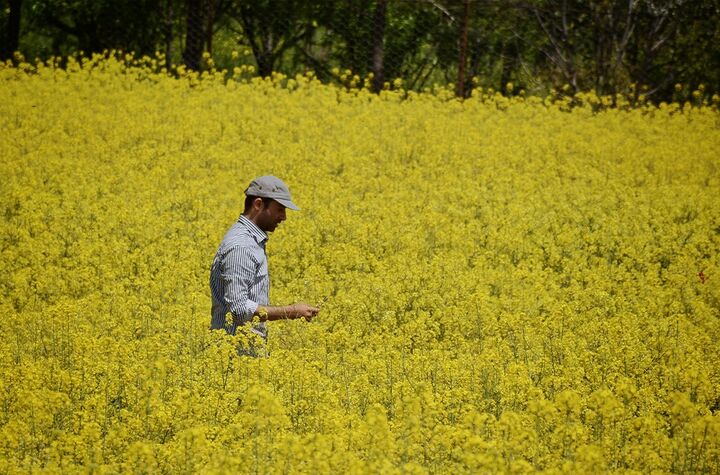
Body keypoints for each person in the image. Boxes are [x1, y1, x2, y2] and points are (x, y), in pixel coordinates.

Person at [209, 175, 319, 353]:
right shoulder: (242, 247)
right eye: (280, 209)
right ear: (258, 204)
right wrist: (291, 312)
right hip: (233, 356)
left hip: (244, 356)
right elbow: (238, 310)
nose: (284, 217)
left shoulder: (251, 241)